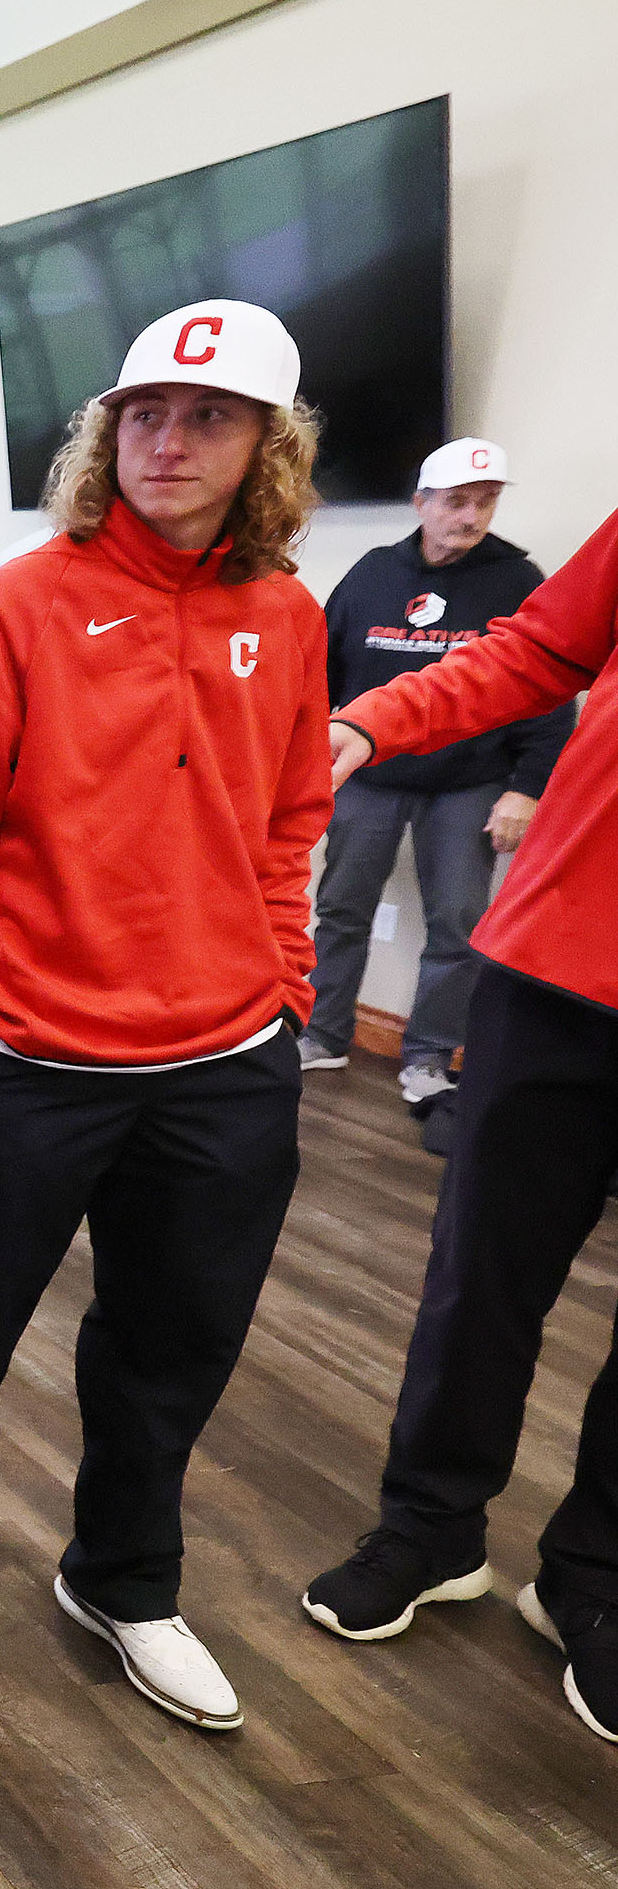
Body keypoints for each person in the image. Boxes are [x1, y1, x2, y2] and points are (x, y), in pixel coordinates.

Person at [0, 300, 333, 1736]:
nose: (168, 442)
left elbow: (291, 819)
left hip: (229, 1069)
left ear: (267, 449)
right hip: (40, 1063)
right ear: (106, 432)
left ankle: (127, 1578)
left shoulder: (288, 615)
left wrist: (288, 992)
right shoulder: (23, 605)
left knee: (170, 1346)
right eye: (143, 414)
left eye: (207, 419)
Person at [297, 506, 618, 1749]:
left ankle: (593, 1574)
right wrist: (371, 716)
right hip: (560, 968)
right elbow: (532, 654)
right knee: (481, 1275)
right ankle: (432, 1528)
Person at [304, 437, 569, 1104]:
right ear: (422, 503)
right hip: (370, 777)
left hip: (469, 783)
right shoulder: (372, 573)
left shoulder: (518, 581)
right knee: (339, 910)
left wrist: (526, 787)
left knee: (456, 925)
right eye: (456, 502)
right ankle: (324, 1036)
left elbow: (549, 693)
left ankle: (425, 1058)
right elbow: (319, 674)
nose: (471, 517)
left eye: (485, 502)